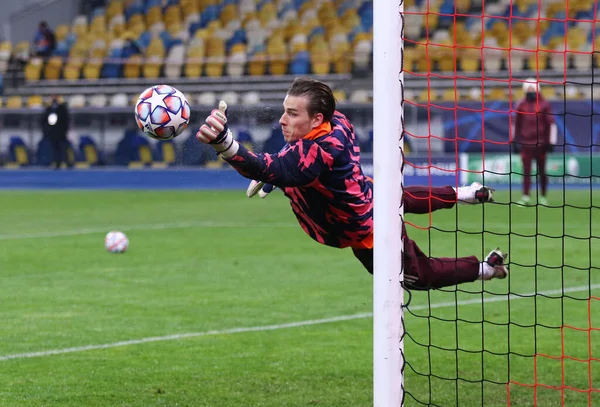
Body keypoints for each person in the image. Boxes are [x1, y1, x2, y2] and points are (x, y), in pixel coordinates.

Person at [195, 77, 508, 290]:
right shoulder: (338, 120)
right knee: (400, 199)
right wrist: (276, 177)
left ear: (316, 119)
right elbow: (289, 164)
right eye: (284, 111)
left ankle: (486, 268)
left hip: (362, 228)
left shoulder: (319, 148)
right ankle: (465, 192)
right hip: (365, 194)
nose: (282, 120)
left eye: (292, 113)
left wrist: (225, 143)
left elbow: (280, 168)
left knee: (416, 277)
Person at [513, 78, 557, 206]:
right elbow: (516, 124)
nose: (530, 91)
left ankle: (543, 197)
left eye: (532, 89)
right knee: (526, 171)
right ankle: (526, 196)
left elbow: (551, 124)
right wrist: (515, 140)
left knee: (542, 171)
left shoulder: (544, 104)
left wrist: (551, 142)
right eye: (528, 89)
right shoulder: (520, 105)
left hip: (541, 143)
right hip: (526, 144)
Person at [41, 94, 71, 169]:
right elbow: (44, 120)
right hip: (52, 132)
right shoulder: (49, 109)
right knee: (53, 148)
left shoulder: (62, 108)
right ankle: (55, 162)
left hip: (61, 132)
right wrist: (46, 131)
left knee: (63, 147)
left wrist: (65, 130)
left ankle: (65, 162)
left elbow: (66, 120)